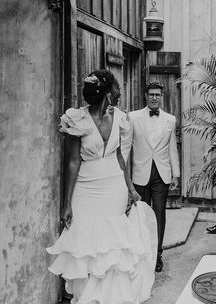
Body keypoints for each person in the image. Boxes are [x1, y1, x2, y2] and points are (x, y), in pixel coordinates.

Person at [46, 70, 157, 304]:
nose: (119, 92)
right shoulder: (76, 119)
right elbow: (73, 162)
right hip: (86, 188)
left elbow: (119, 157)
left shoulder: (119, 117)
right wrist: (67, 203)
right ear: (108, 92)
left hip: (113, 187)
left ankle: (108, 298)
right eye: (116, 87)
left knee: (111, 246)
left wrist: (130, 188)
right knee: (86, 244)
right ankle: (86, 296)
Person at [128, 81, 180, 273]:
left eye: (157, 94)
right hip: (140, 174)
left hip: (162, 174)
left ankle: (157, 255)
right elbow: (126, 148)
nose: (154, 98)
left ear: (162, 96)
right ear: (145, 95)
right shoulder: (133, 117)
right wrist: (124, 177)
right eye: (151, 94)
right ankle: (142, 254)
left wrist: (176, 174)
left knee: (159, 214)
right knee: (141, 215)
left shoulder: (170, 119)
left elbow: (172, 148)